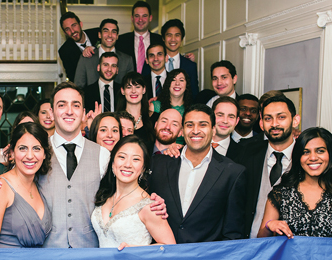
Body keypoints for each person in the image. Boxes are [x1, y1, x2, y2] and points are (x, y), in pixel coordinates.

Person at [0, 82, 167, 248]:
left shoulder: (103, 155)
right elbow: (12, 186)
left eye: (75, 105)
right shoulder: (37, 152)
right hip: (48, 253)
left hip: (89, 253)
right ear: (52, 112)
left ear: (84, 113)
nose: (69, 111)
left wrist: (150, 202)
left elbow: (122, 193)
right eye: (62, 105)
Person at [234, 95, 332, 238]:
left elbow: (331, 183)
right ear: (261, 123)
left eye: (281, 117)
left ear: (295, 120)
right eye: (268, 118)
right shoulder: (245, 152)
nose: (274, 124)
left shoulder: (310, 158)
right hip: (253, 241)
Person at [148, 104, 246, 243]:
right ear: (182, 131)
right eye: (189, 125)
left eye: (203, 125)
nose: (195, 131)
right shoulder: (159, 164)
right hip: (162, 254)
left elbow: (233, 234)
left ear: (213, 130)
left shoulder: (232, 173)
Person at [92, 135, 176, 249]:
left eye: (136, 159)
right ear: (112, 162)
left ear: (143, 167)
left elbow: (171, 247)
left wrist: (136, 251)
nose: (127, 164)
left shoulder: (150, 206)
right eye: (122, 157)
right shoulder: (104, 194)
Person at [0, 122, 53, 248]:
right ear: (12, 153)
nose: (30, 156)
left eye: (36, 148)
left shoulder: (38, 186)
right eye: (22, 148)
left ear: (44, 154)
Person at [144, 19, 198, 97]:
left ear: (182, 38)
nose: (173, 39)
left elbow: (194, 94)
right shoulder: (152, 62)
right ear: (163, 38)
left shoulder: (190, 66)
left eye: (177, 35)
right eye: (169, 35)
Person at [74, 19, 134, 88]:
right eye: (106, 31)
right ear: (99, 35)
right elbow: (78, 88)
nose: (110, 35)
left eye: (113, 32)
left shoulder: (127, 60)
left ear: (117, 36)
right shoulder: (86, 58)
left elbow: (130, 88)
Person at [116, 1, 163, 73]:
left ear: (150, 18)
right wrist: (92, 48)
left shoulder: (160, 40)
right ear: (132, 18)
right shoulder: (120, 41)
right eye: (137, 16)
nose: (140, 20)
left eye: (144, 16)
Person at [116, 71, 158, 149]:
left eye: (137, 87)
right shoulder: (115, 118)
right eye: (129, 87)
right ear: (122, 91)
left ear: (144, 89)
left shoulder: (155, 118)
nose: (133, 91)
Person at [58, 12, 100, 82]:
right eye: (67, 29)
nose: (72, 31)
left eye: (74, 25)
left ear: (80, 24)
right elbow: (73, 78)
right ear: (65, 33)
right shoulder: (64, 51)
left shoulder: (98, 33)